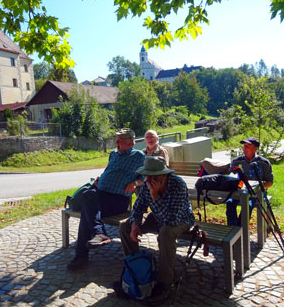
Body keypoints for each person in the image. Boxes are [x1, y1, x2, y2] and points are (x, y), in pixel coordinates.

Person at [118, 156, 195, 305]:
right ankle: (136, 270)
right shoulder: (147, 184)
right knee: (125, 226)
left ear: (164, 174)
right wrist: (134, 224)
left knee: (166, 233)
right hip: (157, 216)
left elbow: (171, 219)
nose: (148, 180)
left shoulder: (177, 185)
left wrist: (155, 195)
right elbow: (138, 207)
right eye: (146, 176)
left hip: (181, 220)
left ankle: (165, 283)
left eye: (152, 176)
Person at [67, 128, 146, 271]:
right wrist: (100, 178)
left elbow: (145, 176)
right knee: (88, 194)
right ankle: (99, 233)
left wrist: (135, 183)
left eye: (119, 140)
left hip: (118, 200)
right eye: (116, 139)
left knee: (87, 213)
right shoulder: (113, 154)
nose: (116, 142)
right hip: (100, 195)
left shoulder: (139, 156)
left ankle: (81, 256)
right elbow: (108, 171)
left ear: (130, 142)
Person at [226, 137, 273, 226]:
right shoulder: (237, 161)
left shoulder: (264, 162)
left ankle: (240, 229)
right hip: (238, 191)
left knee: (248, 205)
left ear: (256, 148)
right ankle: (232, 229)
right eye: (244, 146)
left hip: (255, 194)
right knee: (230, 203)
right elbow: (231, 177)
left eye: (248, 146)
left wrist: (258, 189)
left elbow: (270, 181)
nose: (245, 148)